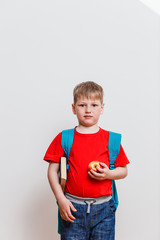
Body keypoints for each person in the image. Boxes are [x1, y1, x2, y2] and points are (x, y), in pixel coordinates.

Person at [43, 81, 129, 240]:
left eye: (94, 105)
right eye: (82, 105)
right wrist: (61, 199)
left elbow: (123, 171)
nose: (88, 110)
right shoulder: (65, 138)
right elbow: (52, 171)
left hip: (104, 210)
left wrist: (108, 174)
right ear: (73, 108)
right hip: (73, 209)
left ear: (102, 108)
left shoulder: (112, 139)